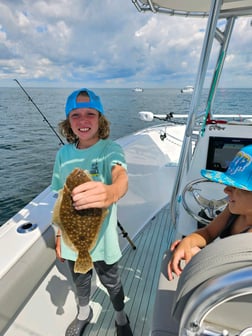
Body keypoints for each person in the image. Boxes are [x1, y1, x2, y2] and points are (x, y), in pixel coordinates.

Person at [51, 88, 133, 336]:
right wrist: (58, 236)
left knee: (112, 282)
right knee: (80, 281)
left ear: (100, 119)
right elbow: (59, 198)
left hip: (103, 240)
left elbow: (120, 175)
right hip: (72, 239)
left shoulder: (111, 150)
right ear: (68, 121)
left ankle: (120, 316)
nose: (83, 120)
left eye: (90, 114)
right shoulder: (63, 155)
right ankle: (84, 313)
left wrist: (113, 192)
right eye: (75, 115)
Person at [167, 144, 252, 281]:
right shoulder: (233, 211)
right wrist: (188, 241)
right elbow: (208, 232)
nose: (226, 190)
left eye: (236, 187)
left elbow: (230, 267)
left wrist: (199, 255)